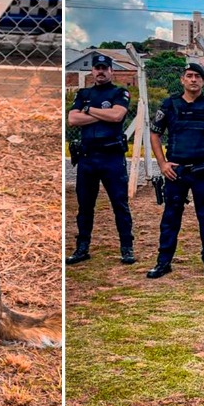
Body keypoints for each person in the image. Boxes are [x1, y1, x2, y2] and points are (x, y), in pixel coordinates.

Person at [148, 64, 204, 280]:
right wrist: (163, 164)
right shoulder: (169, 105)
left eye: (197, 77)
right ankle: (163, 261)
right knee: (171, 218)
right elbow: (154, 135)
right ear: (182, 80)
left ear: (203, 81)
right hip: (177, 172)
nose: (193, 80)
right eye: (189, 76)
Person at [67, 53, 136, 265]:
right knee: (85, 206)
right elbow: (72, 119)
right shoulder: (84, 93)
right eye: (97, 68)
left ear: (111, 71)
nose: (101, 72)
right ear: (92, 71)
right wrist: (100, 114)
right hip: (88, 157)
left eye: (105, 68)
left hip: (111, 158)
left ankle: (126, 247)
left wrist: (87, 110)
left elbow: (117, 116)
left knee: (119, 204)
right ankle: (82, 247)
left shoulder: (119, 92)